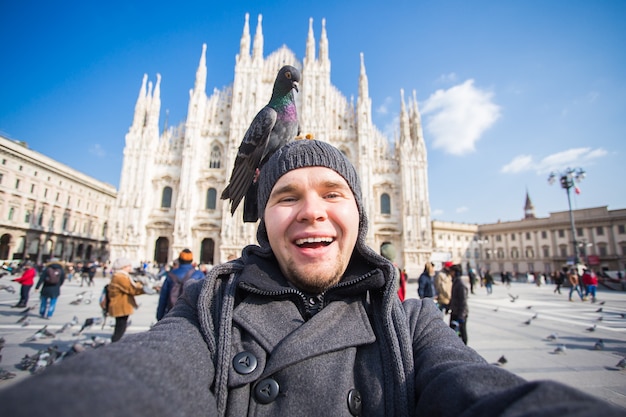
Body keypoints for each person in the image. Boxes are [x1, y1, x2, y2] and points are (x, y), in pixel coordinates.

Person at [0, 139, 622, 416]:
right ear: (262, 219)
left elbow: (474, 387)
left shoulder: (409, 324)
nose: (312, 211)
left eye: (333, 192)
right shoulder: (208, 314)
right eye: (286, 195)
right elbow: (145, 374)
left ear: (358, 212)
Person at [156, 249, 204, 321]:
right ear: (191, 261)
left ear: (179, 260)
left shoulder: (171, 275)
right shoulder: (199, 275)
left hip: (171, 312)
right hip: (192, 316)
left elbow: (163, 297)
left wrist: (160, 316)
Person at [107, 258, 145, 342]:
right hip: (120, 305)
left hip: (121, 304)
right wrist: (143, 288)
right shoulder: (120, 277)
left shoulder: (122, 275)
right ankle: (115, 344)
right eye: (129, 265)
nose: (130, 267)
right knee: (120, 327)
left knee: (121, 325)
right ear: (123, 266)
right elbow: (131, 289)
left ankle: (116, 342)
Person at [448, 263, 469, 345]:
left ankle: (464, 348)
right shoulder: (456, 282)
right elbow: (454, 298)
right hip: (455, 311)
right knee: (452, 332)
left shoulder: (460, 284)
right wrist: (449, 306)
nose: (450, 273)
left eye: (451, 272)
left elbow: (463, 301)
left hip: (460, 313)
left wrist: (461, 315)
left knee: (462, 332)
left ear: (455, 272)